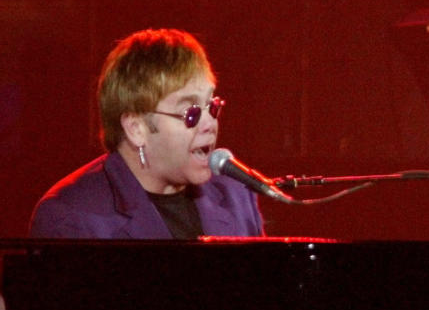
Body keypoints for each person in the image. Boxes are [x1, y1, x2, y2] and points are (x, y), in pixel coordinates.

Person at [30, 28, 263, 239]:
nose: (210, 123)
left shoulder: (236, 196)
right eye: (191, 112)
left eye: (211, 106)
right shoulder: (71, 216)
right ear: (136, 128)